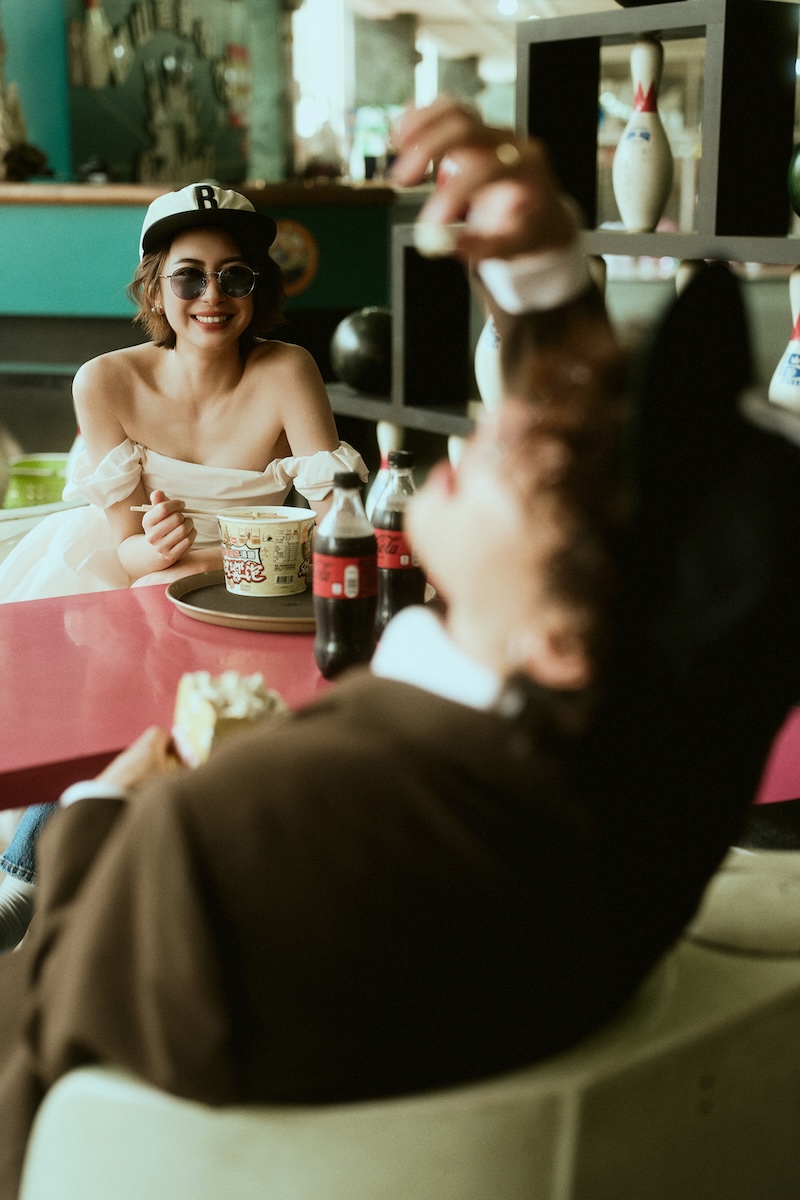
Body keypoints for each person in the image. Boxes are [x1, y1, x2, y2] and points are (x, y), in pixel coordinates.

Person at [0, 97, 798, 1196]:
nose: (498, 424)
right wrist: (540, 272)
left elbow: (43, 1050)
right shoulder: (659, 763)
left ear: (563, 635)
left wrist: (97, 816)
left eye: (537, 464)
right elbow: (628, 504)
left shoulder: (211, 839)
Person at [0, 181, 367, 603]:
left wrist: (198, 564)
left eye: (234, 276)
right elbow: (128, 554)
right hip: (125, 581)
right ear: (154, 292)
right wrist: (158, 546)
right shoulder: (103, 383)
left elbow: (340, 527)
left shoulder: (288, 372)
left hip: (262, 585)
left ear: (256, 287)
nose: (212, 295)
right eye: (188, 277)